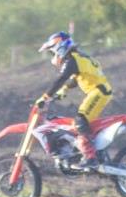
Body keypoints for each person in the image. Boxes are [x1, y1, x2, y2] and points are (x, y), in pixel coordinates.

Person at [36, 31, 114, 165]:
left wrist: (45, 97)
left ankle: (90, 157)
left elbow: (61, 79)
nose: (53, 56)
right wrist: (64, 90)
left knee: (80, 121)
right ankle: (96, 152)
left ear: (59, 47)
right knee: (84, 124)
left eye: (52, 52)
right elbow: (77, 79)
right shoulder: (79, 57)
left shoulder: (72, 60)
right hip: (100, 91)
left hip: (98, 92)